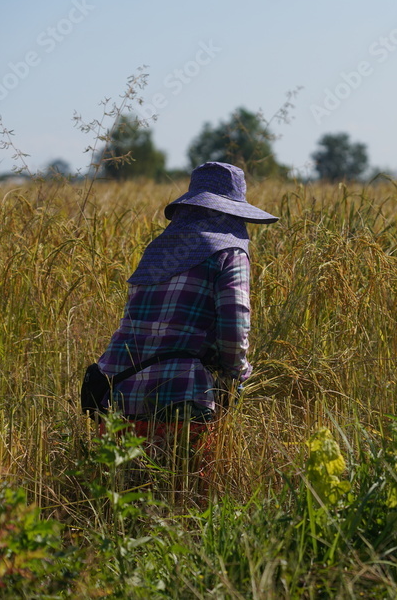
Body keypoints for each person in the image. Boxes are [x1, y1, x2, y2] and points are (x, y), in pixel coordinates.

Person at [94, 161, 278, 469]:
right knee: (183, 501)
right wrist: (237, 377)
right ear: (234, 213)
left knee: (126, 500)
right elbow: (234, 327)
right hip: (183, 399)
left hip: (119, 396)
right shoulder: (230, 252)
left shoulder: (156, 250)